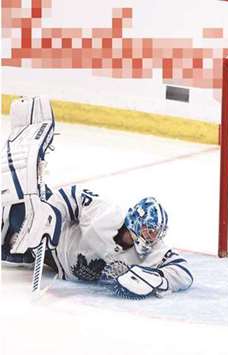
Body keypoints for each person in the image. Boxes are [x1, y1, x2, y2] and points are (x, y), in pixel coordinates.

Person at [1, 96, 192, 299]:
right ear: (136, 222)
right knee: (18, 208)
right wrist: (51, 218)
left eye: (155, 234)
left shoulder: (152, 251)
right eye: (149, 231)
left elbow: (183, 272)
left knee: (10, 245)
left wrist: (160, 280)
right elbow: (70, 196)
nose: (152, 238)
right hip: (54, 243)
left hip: (51, 262)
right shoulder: (106, 213)